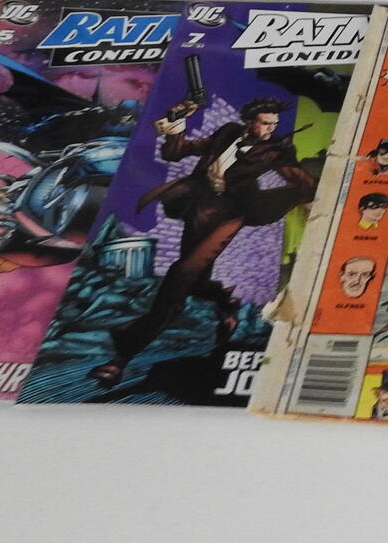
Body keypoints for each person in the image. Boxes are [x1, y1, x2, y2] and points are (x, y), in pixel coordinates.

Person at [89, 96, 313, 386]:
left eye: (274, 124)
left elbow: (301, 178)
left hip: (232, 213)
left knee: (182, 274)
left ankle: (121, 357)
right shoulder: (228, 132)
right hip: (200, 207)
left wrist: (313, 196)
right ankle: (225, 301)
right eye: (265, 123)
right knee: (194, 278)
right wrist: (177, 119)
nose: (270, 128)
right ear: (249, 122)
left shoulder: (275, 151)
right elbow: (175, 152)